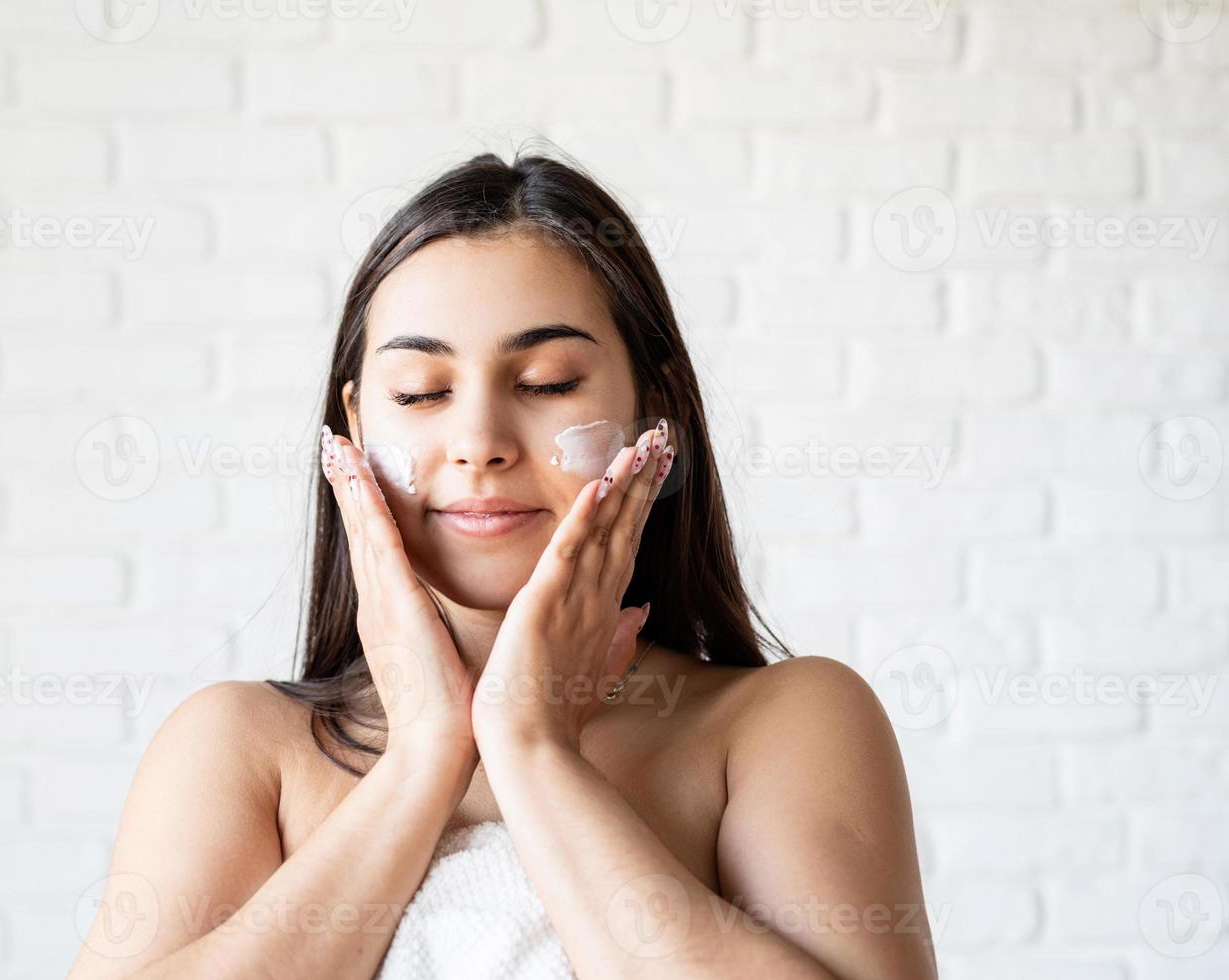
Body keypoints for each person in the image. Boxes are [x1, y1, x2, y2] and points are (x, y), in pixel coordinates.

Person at [67, 149, 939, 980]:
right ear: (359, 425)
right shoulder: (241, 748)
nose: (478, 443)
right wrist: (423, 760)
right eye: (420, 393)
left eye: (549, 382)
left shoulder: (783, 726)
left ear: (654, 410)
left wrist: (532, 749)